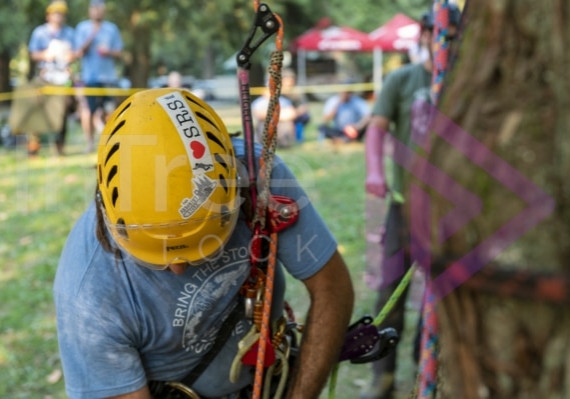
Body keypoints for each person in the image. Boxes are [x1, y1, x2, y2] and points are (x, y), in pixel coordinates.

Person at [54, 87, 354, 399]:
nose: (178, 266)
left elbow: (331, 287)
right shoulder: (87, 297)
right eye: (154, 255)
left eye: (201, 243)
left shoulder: (258, 180)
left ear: (233, 192)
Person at [362, 5, 461, 399]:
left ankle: (429, 372)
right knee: (390, 292)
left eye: (452, 38)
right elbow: (377, 130)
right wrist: (375, 171)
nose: (443, 45)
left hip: (452, 213)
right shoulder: (403, 80)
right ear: (423, 35)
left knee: (440, 297)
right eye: (438, 35)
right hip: (406, 207)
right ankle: (381, 380)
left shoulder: (466, 83)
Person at [27, 0, 76, 156]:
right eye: (55, 13)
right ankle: (34, 147)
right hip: (45, 77)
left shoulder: (69, 33)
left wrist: (70, 57)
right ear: (48, 15)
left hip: (62, 79)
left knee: (62, 112)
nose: (58, 16)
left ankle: (59, 147)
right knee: (38, 111)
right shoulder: (40, 32)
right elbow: (33, 53)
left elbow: (75, 53)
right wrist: (45, 55)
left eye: (61, 13)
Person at [74, 0, 123, 153]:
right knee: (89, 110)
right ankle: (89, 143)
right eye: (94, 8)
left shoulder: (112, 29)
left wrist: (107, 51)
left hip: (108, 78)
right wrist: (92, 35)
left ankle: (110, 142)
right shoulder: (82, 28)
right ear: (89, 11)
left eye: (100, 8)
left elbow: (119, 52)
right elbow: (78, 52)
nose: (97, 11)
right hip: (90, 78)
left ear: (104, 10)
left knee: (110, 110)